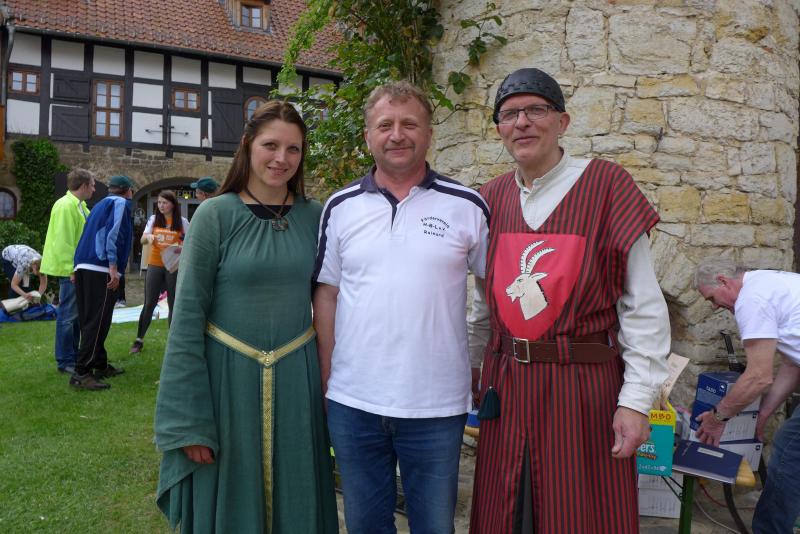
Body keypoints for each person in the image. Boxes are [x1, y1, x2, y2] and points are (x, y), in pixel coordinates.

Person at [468, 68, 671, 533]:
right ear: (499, 129)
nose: (522, 122)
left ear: (562, 121)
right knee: (505, 513)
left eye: (535, 110)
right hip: (506, 384)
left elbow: (642, 306)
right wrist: (473, 372)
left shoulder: (607, 186)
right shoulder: (489, 199)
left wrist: (636, 403)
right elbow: (482, 303)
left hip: (582, 388)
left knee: (579, 513)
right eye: (509, 114)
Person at [313, 81, 489, 534]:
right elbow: (327, 293)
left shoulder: (467, 205)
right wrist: (328, 373)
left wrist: (477, 361)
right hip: (354, 401)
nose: (397, 135)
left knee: (434, 526)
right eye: (384, 125)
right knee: (365, 526)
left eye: (409, 124)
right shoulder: (340, 207)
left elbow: (492, 291)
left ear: (429, 132)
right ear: (368, 136)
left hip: (436, 405)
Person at [154, 101, 338, 533]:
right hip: (227, 385)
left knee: (298, 494)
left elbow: (332, 298)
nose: (281, 158)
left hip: (298, 384)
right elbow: (187, 318)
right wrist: (190, 421)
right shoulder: (215, 216)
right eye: (270, 145)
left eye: (293, 149)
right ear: (247, 145)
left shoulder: (316, 217)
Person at [694, 258, 800, 533]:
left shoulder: (751, 298)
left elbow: (758, 376)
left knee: (788, 454)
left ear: (723, 281)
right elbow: (792, 365)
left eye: (711, 298)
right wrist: (762, 416)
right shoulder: (770, 282)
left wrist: (717, 418)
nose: (714, 306)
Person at [70, 175, 135, 391]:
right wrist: (113, 268)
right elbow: (113, 235)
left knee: (90, 320)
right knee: (97, 322)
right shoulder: (121, 203)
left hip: (84, 266)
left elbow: (85, 236)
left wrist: (75, 266)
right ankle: (82, 372)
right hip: (101, 268)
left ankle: (99, 363)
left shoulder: (98, 205)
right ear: (128, 191)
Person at [40, 168, 95, 374]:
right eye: (92, 185)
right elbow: (64, 242)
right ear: (84, 186)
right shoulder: (65, 206)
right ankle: (65, 360)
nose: (94, 189)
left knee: (75, 317)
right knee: (68, 316)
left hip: (75, 269)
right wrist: (72, 270)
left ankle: (72, 356)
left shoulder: (78, 205)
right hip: (70, 270)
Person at [129, 190, 189, 353]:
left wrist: (181, 248)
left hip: (173, 266)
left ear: (173, 205)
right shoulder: (154, 219)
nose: (161, 206)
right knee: (149, 302)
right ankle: (139, 340)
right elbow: (142, 239)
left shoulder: (182, 222)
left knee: (173, 303)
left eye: (165, 203)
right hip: (155, 264)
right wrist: (148, 238)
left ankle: (173, 341)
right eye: (159, 203)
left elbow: (189, 242)